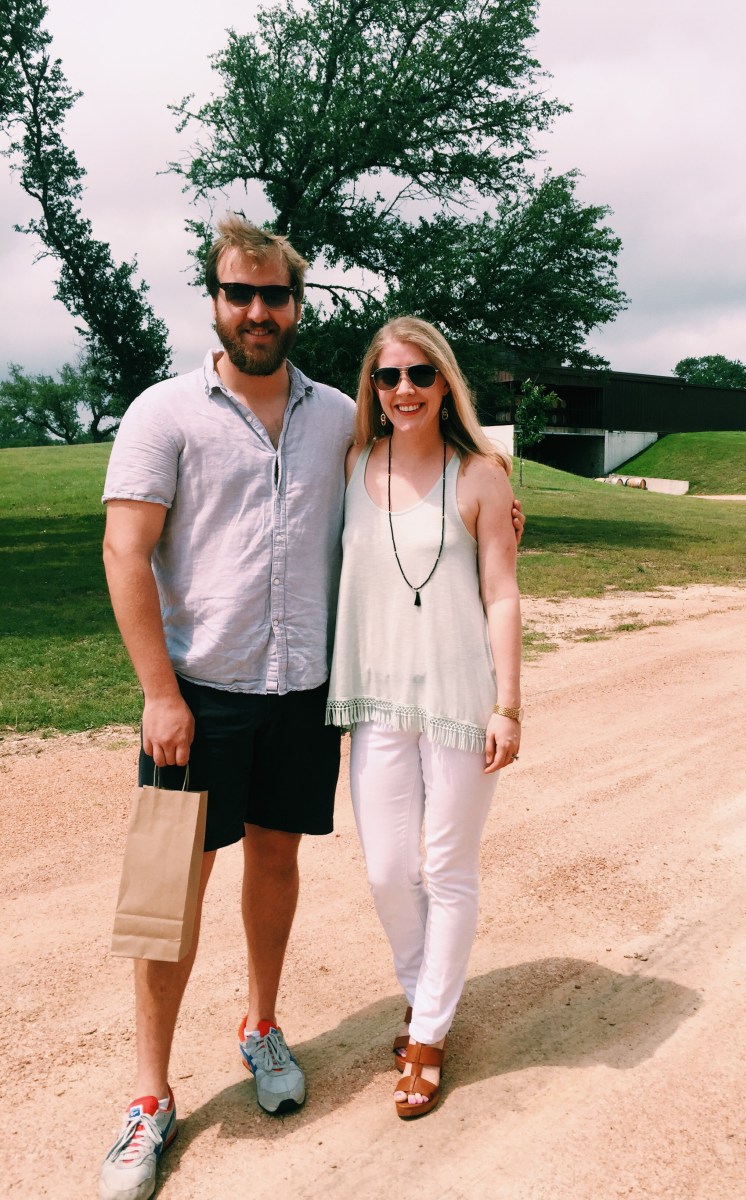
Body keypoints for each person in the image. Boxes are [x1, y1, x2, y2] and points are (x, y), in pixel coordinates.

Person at [98, 214, 354, 1200]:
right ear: (214, 301)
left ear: (297, 306)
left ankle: (260, 1025)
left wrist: (494, 507)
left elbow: (416, 479)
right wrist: (159, 693)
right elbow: (125, 552)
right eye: (238, 293)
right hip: (196, 699)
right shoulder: (163, 412)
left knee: (277, 861)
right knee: (168, 893)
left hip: (302, 693)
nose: (257, 310)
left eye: (273, 295)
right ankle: (149, 1096)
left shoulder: (339, 416)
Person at [326, 316, 522, 1118]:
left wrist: (508, 705)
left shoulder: (480, 475)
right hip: (375, 696)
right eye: (387, 376)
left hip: (458, 698)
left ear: (444, 383)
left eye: (418, 374)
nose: (402, 389)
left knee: (446, 869)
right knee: (385, 869)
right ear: (371, 388)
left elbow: (501, 593)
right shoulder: (352, 464)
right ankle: (422, 992)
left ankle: (429, 1034)